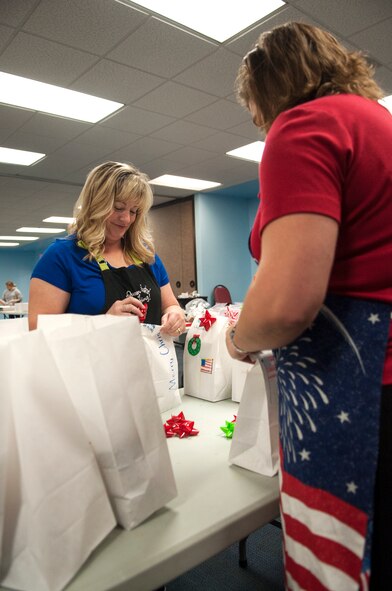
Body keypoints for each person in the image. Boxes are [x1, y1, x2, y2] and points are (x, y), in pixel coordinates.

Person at [226, 22, 392, 590]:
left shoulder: (304, 125)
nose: (262, 123)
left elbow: (288, 303)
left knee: (347, 561)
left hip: (358, 387)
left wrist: (236, 339)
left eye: (257, 110)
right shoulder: (380, 124)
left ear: (270, 89)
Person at [29, 161, 185, 336]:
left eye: (133, 211)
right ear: (96, 204)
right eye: (118, 208)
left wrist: (175, 314)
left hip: (148, 361)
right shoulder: (61, 256)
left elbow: (170, 305)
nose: (126, 219)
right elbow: (39, 334)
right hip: (89, 363)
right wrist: (104, 323)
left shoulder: (145, 255)